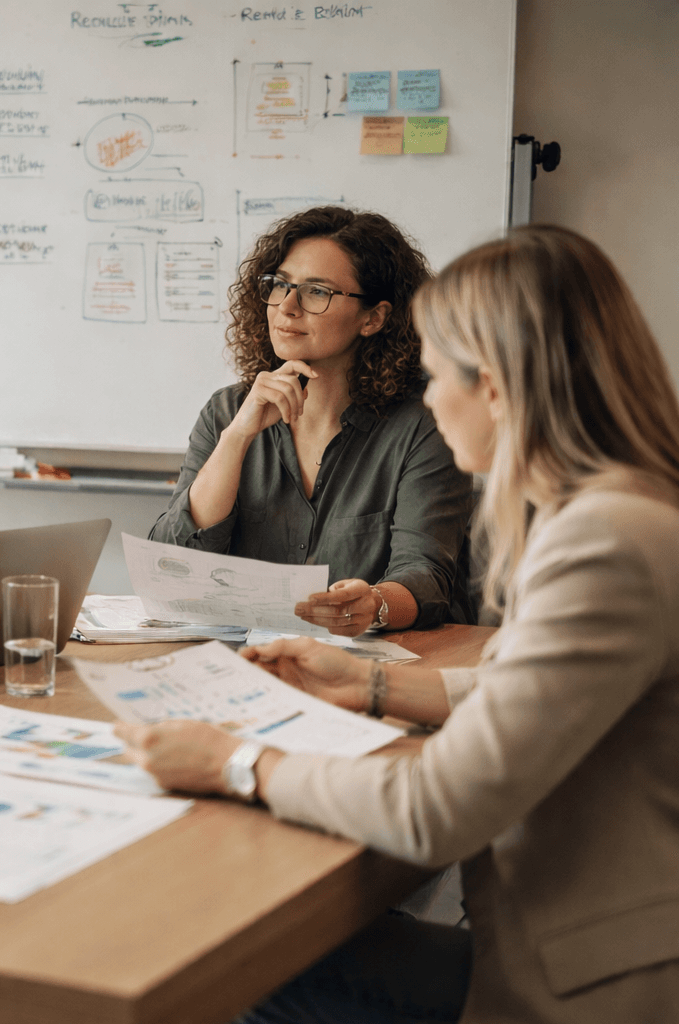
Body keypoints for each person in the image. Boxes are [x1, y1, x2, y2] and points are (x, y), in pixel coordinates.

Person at [119, 225, 679, 1022]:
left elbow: (435, 809)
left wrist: (237, 762)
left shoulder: (607, 541)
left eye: (440, 370)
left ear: (497, 386)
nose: (431, 393)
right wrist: (374, 681)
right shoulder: (618, 511)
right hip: (572, 941)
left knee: (226, 967)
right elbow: (526, 688)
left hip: (584, 984)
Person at [149, 206, 474, 635]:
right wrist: (237, 438)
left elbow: (426, 577)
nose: (286, 307)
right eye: (280, 284)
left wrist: (373, 604)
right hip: (247, 664)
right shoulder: (228, 412)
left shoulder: (424, 425)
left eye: (316, 292)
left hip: (375, 667)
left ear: (373, 318)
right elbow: (170, 566)